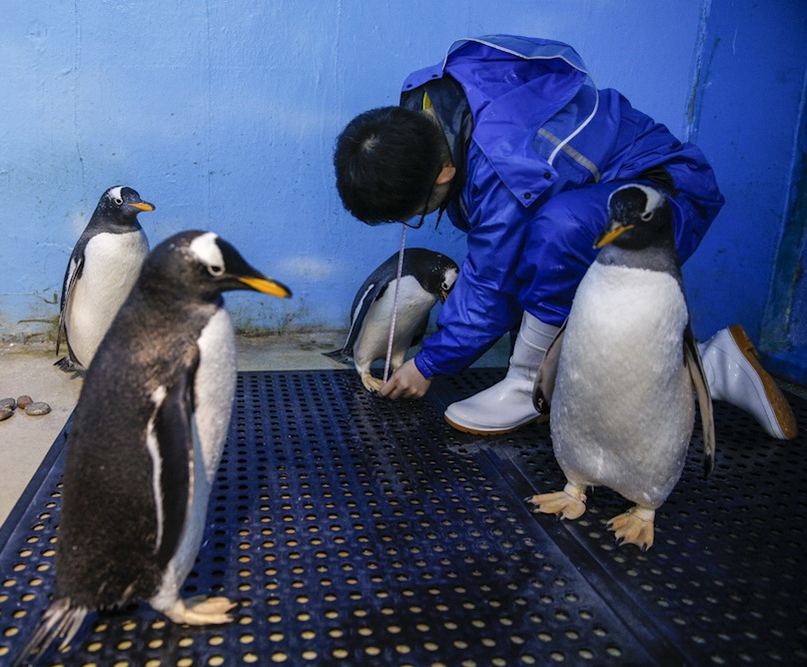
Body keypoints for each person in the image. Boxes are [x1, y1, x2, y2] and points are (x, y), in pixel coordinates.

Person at [333, 34, 797, 440]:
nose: (419, 219)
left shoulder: (501, 164)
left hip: (663, 198)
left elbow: (493, 280)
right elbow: (498, 258)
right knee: (545, 265)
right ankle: (717, 368)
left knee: (558, 228)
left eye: (416, 212)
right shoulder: (433, 107)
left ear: (445, 172)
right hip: (614, 191)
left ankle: (527, 384)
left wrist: (429, 363)